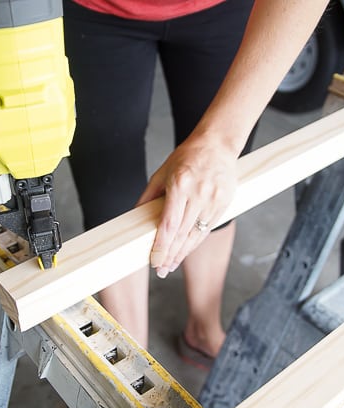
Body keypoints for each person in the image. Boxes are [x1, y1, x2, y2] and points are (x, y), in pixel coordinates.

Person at [63, 0, 328, 363]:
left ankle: (203, 331)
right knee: (110, 198)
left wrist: (220, 142)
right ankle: (130, 366)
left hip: (222, 9)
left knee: (213, 186)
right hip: (94, 13)